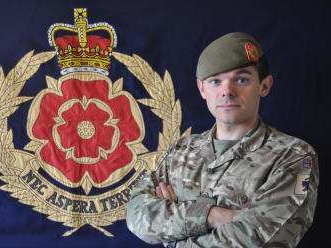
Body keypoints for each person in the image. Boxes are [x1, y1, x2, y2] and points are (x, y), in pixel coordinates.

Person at [125, 32, 319, 248]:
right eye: (215, 81)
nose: (227, 91)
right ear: (202, 89)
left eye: (241, 79)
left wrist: (173, 233)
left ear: (264, 86)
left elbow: (266, 239)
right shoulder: (181, 150)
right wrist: (212, 216)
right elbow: (137, 216)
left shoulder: (293, 156)